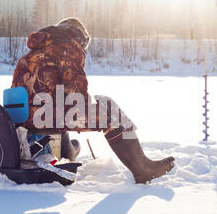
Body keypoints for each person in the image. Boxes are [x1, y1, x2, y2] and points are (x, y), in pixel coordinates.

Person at [11, 17, 175, 183]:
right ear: (79, 37)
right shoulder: (69, 47)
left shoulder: (32, 53)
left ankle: (68, 152)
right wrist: (88, 103)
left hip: (25, 118)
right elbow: (76, 95)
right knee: (111, 112)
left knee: (78, 104)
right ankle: (142, 169)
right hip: (46, 117)